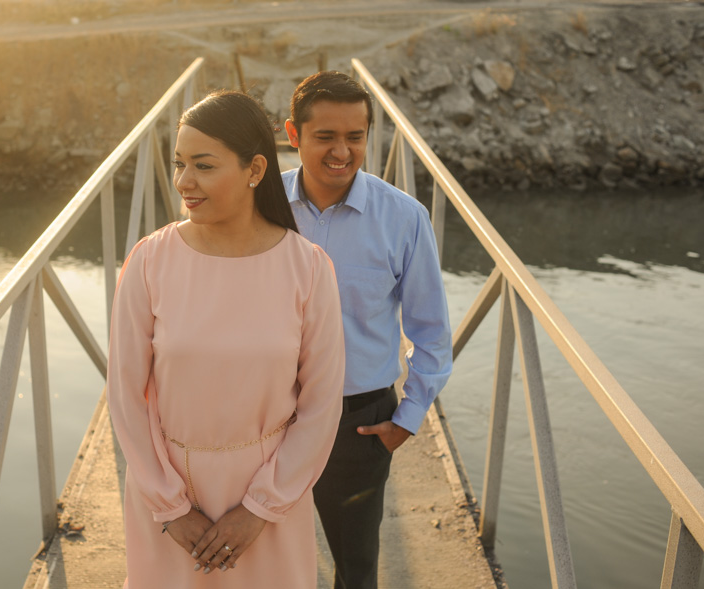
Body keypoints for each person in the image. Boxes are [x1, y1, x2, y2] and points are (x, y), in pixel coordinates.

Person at [106, 90, 345, 589]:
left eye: (204, 166)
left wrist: (261, 507)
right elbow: (126, 395)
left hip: (270, 498)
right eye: (179, 164)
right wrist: (170, 507)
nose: (184, 183)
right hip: (167, 497)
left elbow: (321, 405)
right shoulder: (149, 262)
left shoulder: (309, 268)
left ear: (255, 169)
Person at [283, 71, 453, 589]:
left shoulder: (404, 218)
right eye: (325, 137)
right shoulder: (258, 206)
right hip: (264, 421)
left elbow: (432, 333)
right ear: (293, 135)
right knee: (259, 563)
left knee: (355, 570)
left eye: (354, 137)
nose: (342, 151)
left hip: (356, 425)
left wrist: (407, 418)